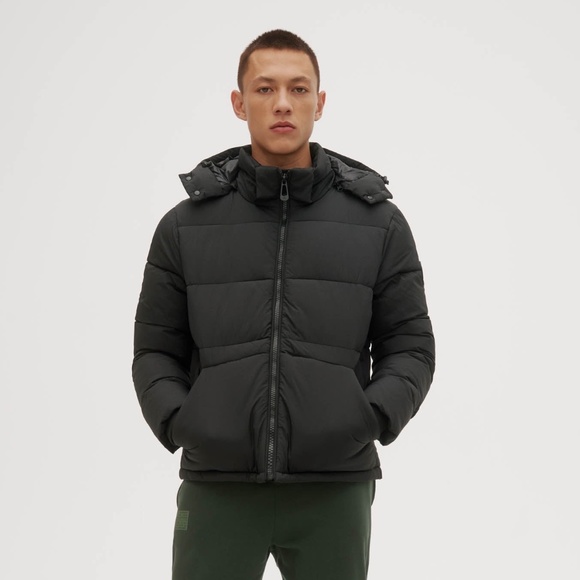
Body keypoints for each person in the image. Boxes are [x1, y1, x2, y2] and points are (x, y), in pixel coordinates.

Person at [132, 29, 435, 580]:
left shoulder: (379, 223)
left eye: (298, 89)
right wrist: (183, 423)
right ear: (238, 102)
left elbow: (411, 347)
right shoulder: (184, 226)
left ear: (320, 102)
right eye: (265, 88)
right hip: (218, 486)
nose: (282, 104)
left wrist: (365, 418)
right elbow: (154, 349)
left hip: (334, 489)